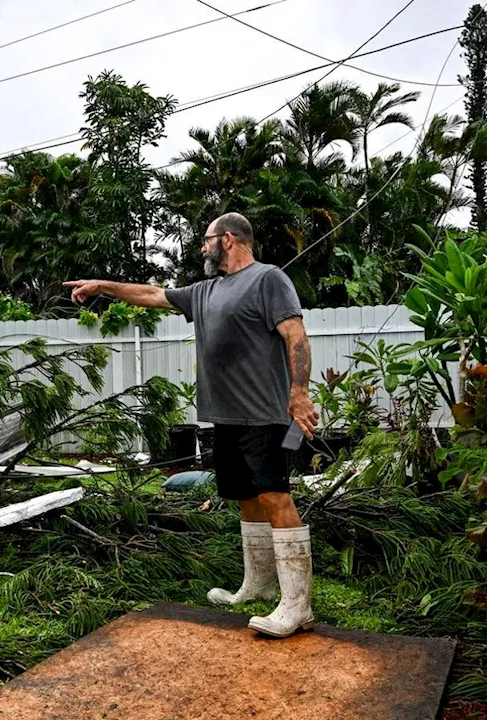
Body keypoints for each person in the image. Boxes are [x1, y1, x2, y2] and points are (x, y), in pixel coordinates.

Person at [64, 212, 318, 638]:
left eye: (207, 240)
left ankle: (298, 605)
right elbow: (150, 293)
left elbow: (296, 336)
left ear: (230, 239)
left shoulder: (268, 279)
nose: (202, 247)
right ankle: (256, 586)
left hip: (264, 414)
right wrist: (103, 286)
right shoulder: (205, 291)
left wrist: (300, 393)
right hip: (225, 416)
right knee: (246, 498)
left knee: (275, 498)